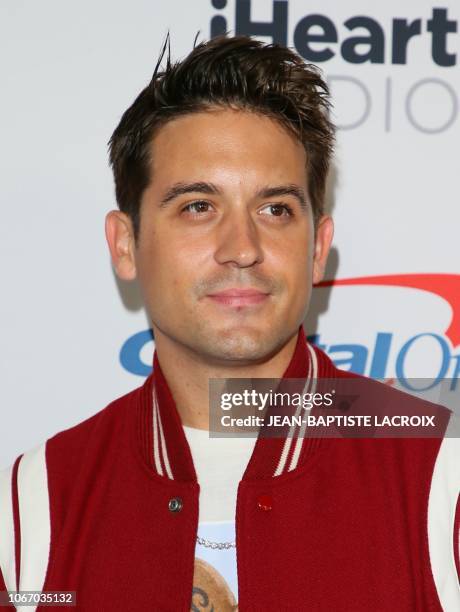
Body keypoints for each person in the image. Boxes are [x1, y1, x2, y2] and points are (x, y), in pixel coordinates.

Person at [0, 34, 459, 611]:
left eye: (275, 209)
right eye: (198, 206)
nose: (242, 248)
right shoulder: (35, 501)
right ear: (126, 243)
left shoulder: (443, 470)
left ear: (317, 248)